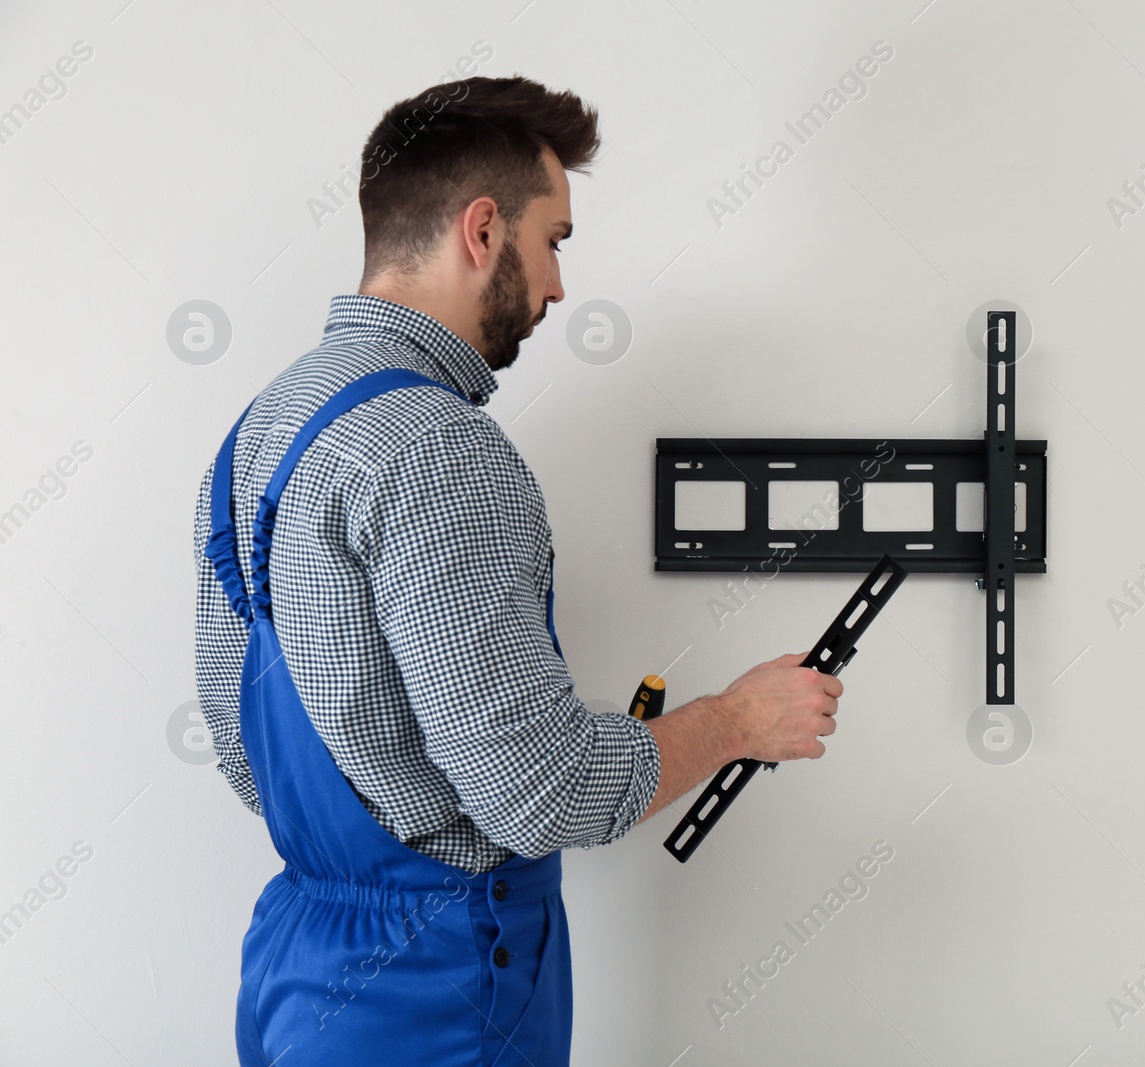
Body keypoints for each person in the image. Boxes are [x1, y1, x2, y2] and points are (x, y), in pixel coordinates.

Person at [191, 75, 842, 1067]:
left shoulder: (256, 435)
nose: (557, 287)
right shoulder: (439, 450)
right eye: (554, 241)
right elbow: (534, 793)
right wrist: (736, 721)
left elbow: (246, 748)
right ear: (482, 230)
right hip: (438, 990)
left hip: (296, 968)